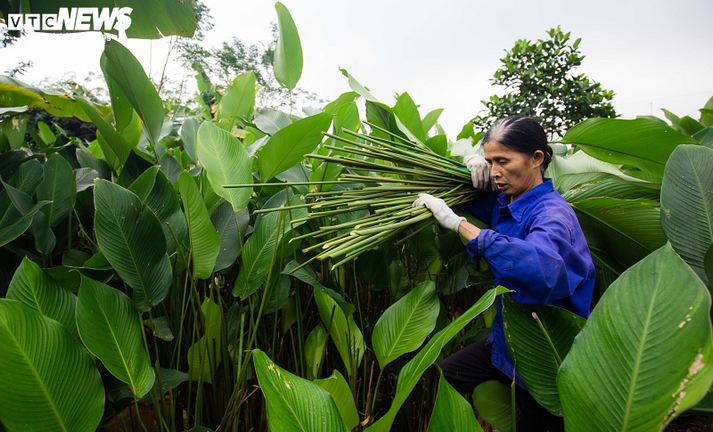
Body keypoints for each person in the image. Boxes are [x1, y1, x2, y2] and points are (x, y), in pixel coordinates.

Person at [412, 116, 595, 432]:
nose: (495, 172)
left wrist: (459, 225)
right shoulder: (509, 200)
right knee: (447, 373)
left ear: (536, 158)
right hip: (508, 342)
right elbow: (479, 200)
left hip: (546, 351)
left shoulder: (552, 214)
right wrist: (467, 169)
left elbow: (539, 268)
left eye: (503, 161)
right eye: (489, 162)